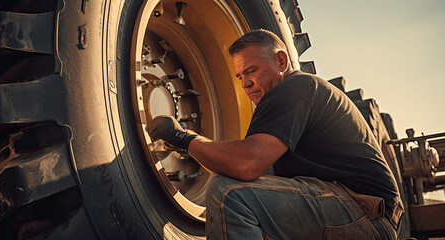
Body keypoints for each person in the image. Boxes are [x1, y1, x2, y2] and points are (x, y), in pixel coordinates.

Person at [146, 29, 403, 240]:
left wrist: (183, 139)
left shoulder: (295, 87)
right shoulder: (291, 101)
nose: (245, 83)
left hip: (365, 213)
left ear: (281, 61)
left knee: (230, 195)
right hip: (361, 214)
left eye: (251, 71)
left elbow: (246, 164)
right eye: (239, 76)